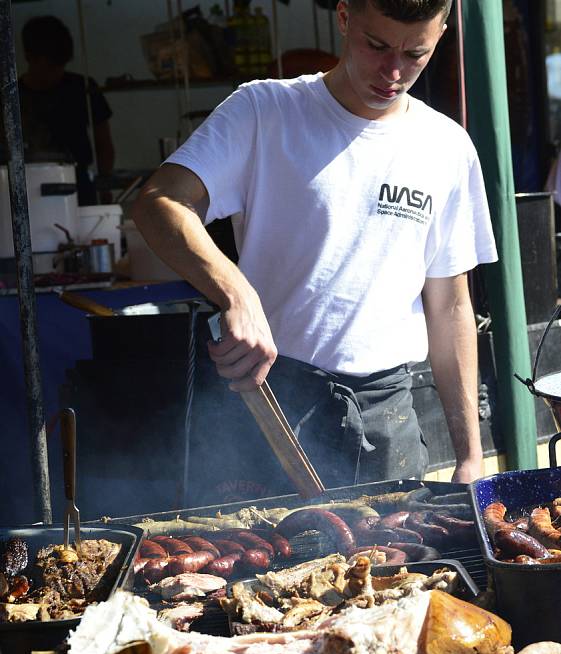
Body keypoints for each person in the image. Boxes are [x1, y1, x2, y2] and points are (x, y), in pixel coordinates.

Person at [132, 0, 498, 502]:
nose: (393, 71)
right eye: (376, 46)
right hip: (273, 400)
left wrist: (471, 456)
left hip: (386, 414)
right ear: (344, 17)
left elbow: (451, 303)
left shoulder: (447, 146)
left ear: (441, 33)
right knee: (257, 574)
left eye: (415, 53)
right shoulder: (265, 110)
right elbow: (159, 203)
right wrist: (237, 293)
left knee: (396, 578)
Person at [15, 15, 114, 205]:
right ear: (29, 57)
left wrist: (105, 183)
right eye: (50, 66)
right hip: (26, 187)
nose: (56, 73)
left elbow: (104, 143)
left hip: (79, 186)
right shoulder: (13, 98)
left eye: (60, 65)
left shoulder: (82, 88)